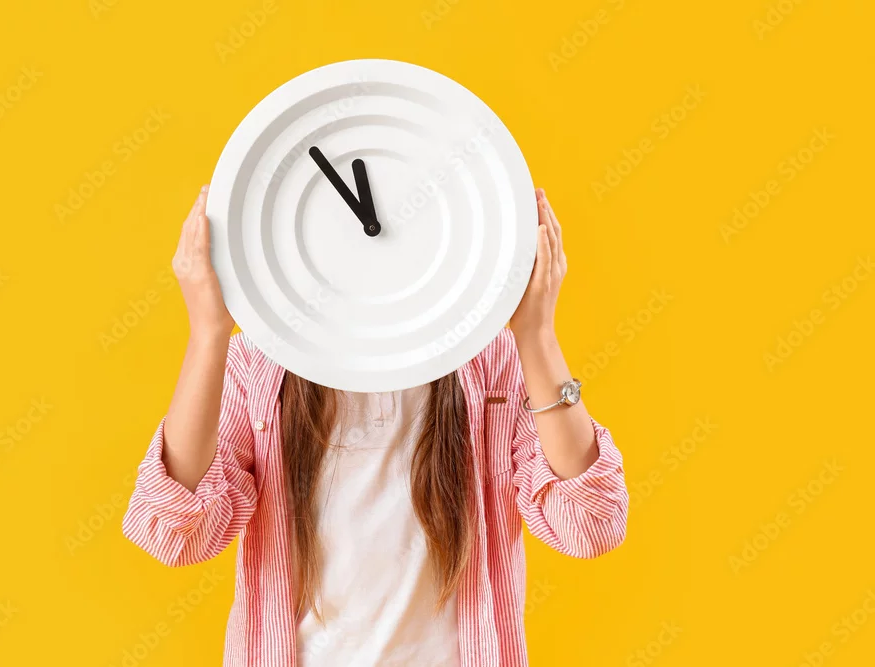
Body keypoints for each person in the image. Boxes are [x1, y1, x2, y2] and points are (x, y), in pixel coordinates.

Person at [122, 185, 628, 667]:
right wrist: (208, 333)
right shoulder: (256, 366)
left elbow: (590, 525)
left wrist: (536, 335)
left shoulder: (492, 362)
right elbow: (173, 534)